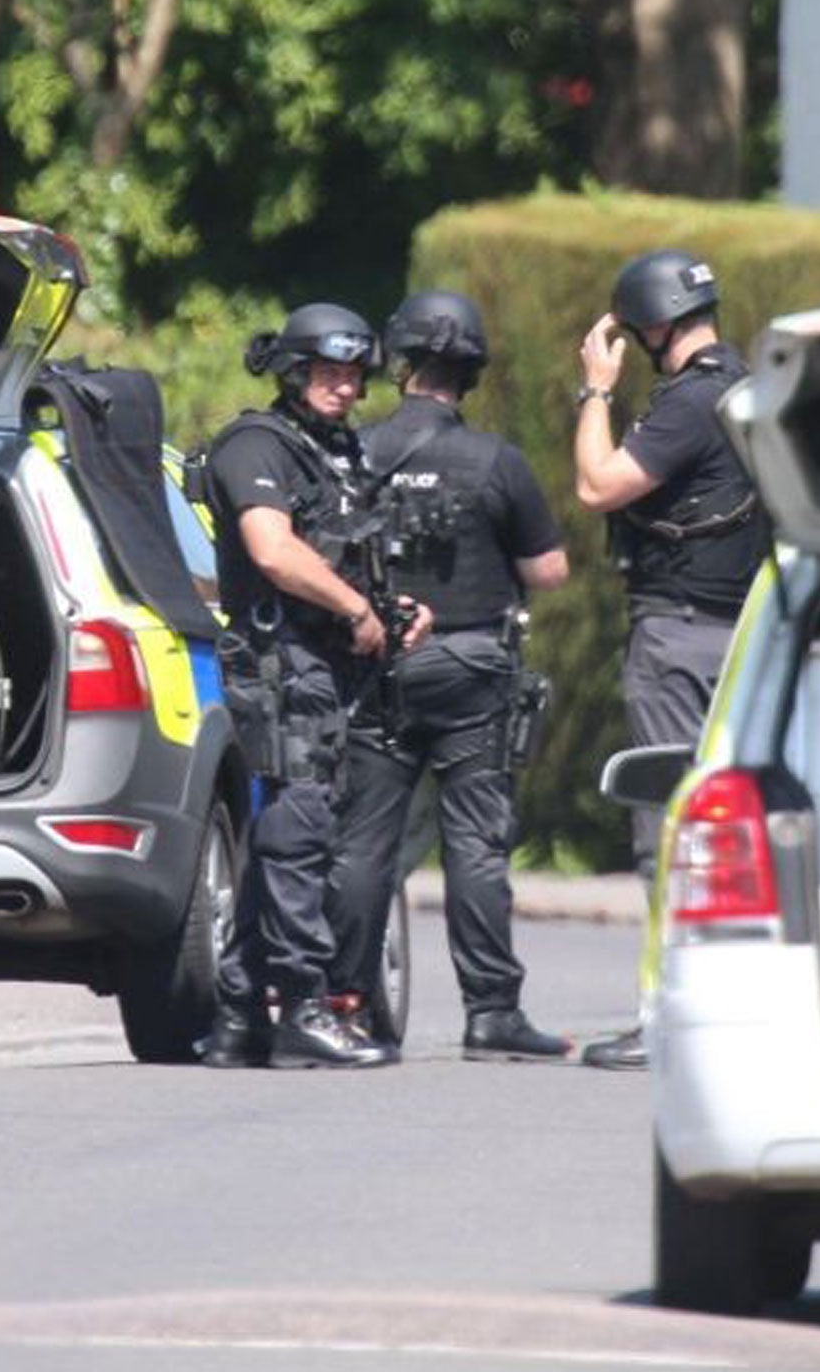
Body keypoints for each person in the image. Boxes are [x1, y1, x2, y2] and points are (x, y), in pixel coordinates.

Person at [327, 290, 573, 1061]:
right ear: (470, 373)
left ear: (400, 365)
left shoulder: (356, 454)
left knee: (365, 843)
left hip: (379, 670)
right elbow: (551, 570)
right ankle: (492, 1013)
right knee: (475, 843)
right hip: (473, 669)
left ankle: (350, 1004)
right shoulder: (496, 460)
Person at [197, 303, 430, 1070]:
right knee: (297, 835)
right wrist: (354, 607)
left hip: (329, 664)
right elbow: (272, 550)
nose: (346, 388)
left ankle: (239, 1012)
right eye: (330, 373)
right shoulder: (256, 446)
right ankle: (302, 1008)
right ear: (294, 373)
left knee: (299, 832)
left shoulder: (336, 454)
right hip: (283, 664)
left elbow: (344, 557)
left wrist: (390, 610)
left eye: (355, 375)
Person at [571, 249, 771, 1071]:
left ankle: (665, 1018)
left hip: (678, 634)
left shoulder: (691, 402)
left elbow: (596, 485)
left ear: (653, 325)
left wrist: (595, 390)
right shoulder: (755, 391)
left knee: (668, 827)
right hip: (747, 632)